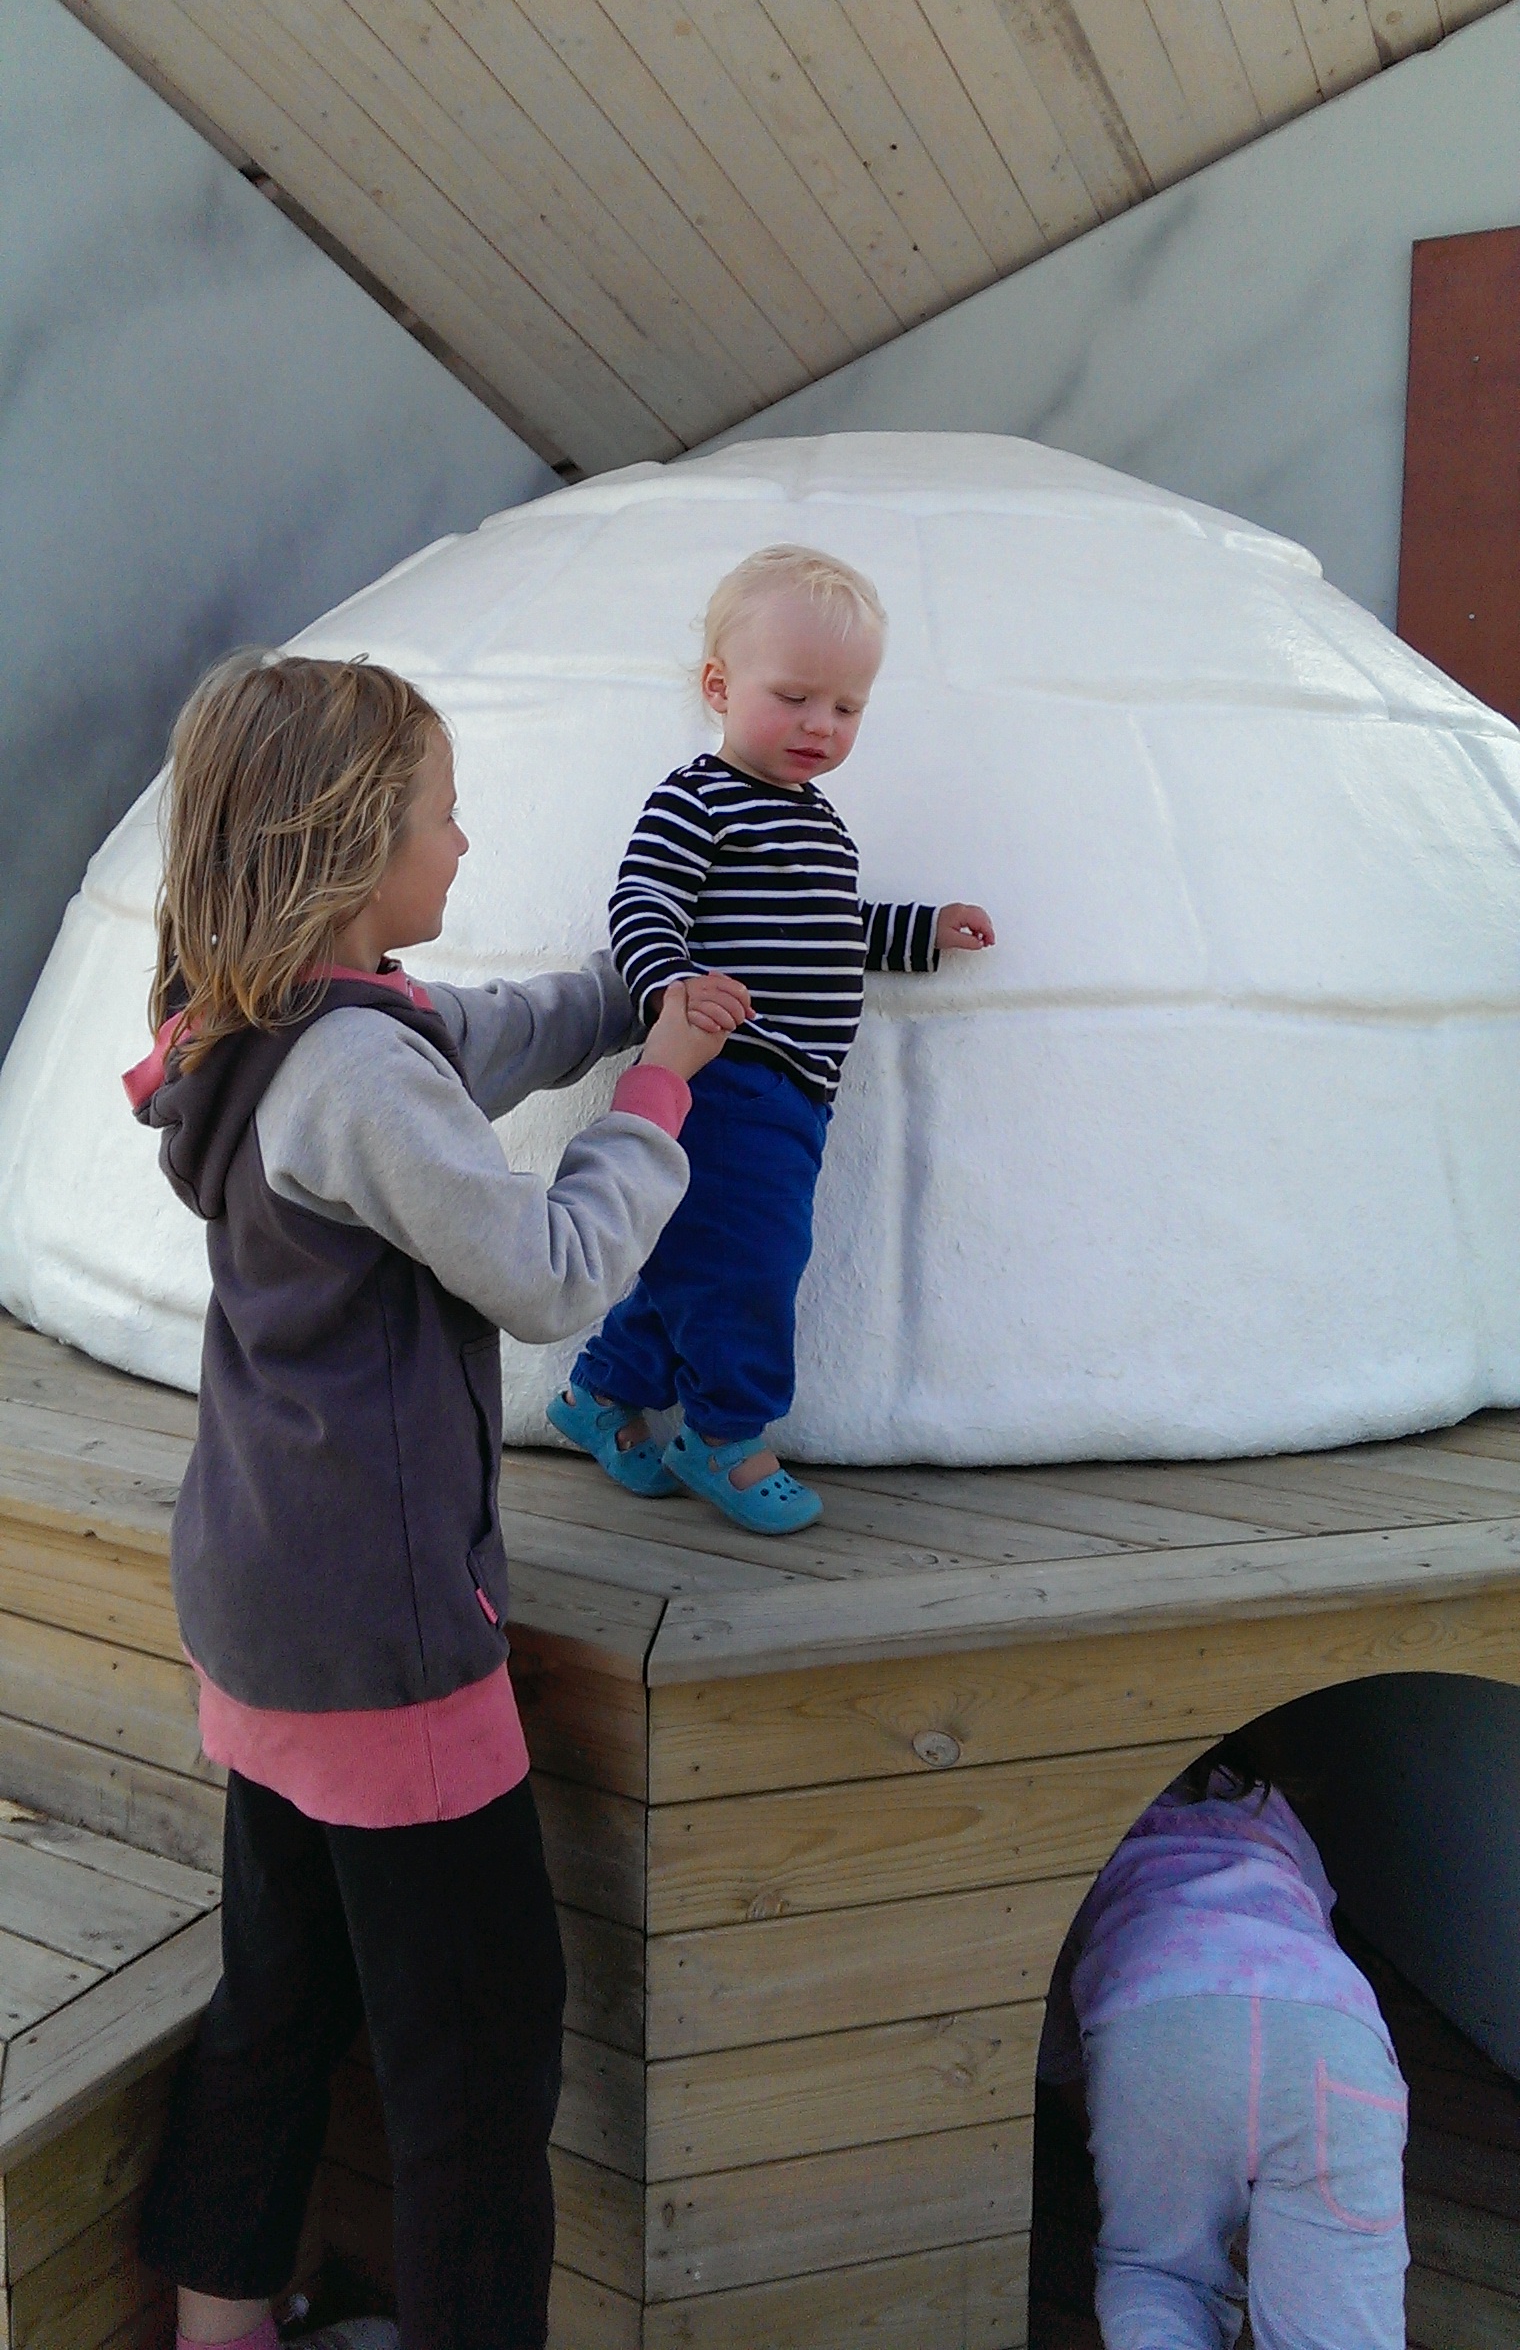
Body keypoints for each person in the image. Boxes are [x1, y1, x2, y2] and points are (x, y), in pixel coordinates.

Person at [127, 652, 743, 2350]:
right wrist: (659, 1091)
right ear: (351, 848)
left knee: (280, 1992)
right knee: (478, 2060)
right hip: (384, 1646)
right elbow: (547, 1272)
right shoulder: (358, 1077)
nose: (465, 842)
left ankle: (220, 2324)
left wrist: (621, 993)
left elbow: (472, 1033)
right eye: (441, 817)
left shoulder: (257, 1023)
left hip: (261, 1607)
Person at [547, 543, 995, 1534]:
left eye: (846, 707)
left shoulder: (818, 821)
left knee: (696, 1255)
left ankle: (600, 1392)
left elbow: (833, 928)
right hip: (727, 1081)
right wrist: (671, 984)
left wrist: (922, 930)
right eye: (794, 697)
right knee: (750, 1266)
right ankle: (726, 1436)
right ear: (719, 686)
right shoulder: (697, 798)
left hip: (794, 1097)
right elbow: (642, 901)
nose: (820, 725)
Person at [1038, 1727, 1409, 2350]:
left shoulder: (1078, 1820)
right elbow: (1316, 1909)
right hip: (1332, 2024)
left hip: (1157, 2013)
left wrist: (1118, 2138)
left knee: (1162, 2273)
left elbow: (1053, 2033)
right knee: (1340, 2315)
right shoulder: (1259, 1799)